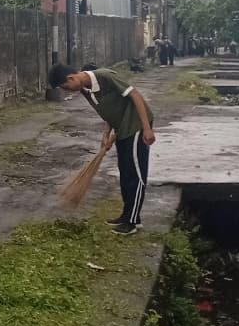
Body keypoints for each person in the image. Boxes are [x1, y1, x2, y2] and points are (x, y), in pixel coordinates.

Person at [48, 62, 157, 235]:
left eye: (66, 86)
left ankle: (132, 222)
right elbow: (107, 112)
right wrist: (106, 136)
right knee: (125, 172)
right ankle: (128, 215)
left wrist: (147, 128)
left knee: (135, 174)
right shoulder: (85, 89)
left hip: (136, 124)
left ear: (71, 77)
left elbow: (134, 95)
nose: (68, 90)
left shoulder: (105, 76)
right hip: (122, 128)